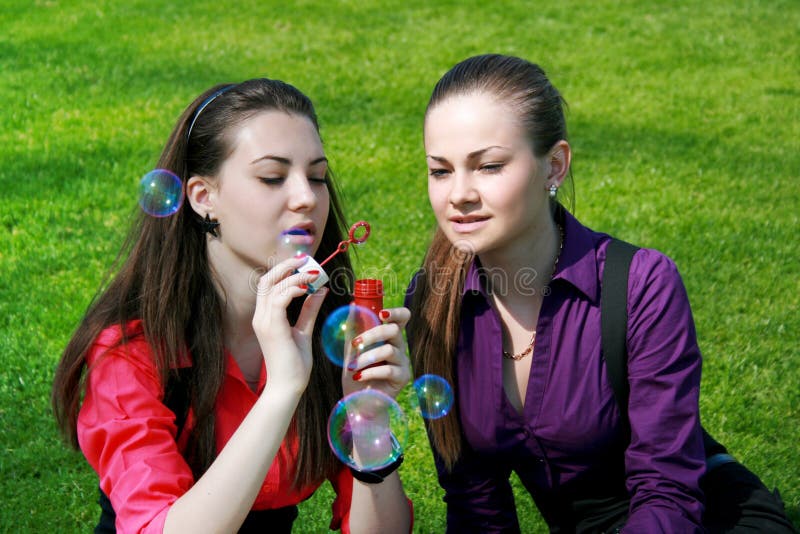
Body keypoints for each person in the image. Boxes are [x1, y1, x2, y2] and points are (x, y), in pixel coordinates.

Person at [52, 78, 413, 533]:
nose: (307, 197)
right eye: (272, 177)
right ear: (204, 198)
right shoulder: (132, 351)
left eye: (317, 176)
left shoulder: (330, 329)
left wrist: (367, 420)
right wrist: (283, 388)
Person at [406, 54, 707, 532]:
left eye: (488, 166)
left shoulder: (642, 284)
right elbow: (473, 498)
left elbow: (667, 490)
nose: (458, 193)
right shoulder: (432, 300)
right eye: (440, 171)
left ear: (554, 166)